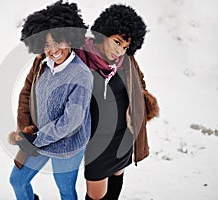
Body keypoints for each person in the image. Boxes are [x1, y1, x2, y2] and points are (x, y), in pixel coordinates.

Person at [8, 1, 93, 200]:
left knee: (65, 191)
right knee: (17, 181)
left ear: (70, 39)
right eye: (47, 44)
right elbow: (27, 94)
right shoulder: (42, 64)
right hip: (38, 138)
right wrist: (26, 130)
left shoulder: (81, 75)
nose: (53, 49)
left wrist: (36, 139)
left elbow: (71, 121)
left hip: (67, 145)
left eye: (58, 41)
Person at [75, 4, 159, 200]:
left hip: (122, 136)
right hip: (96, 141)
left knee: (116, 181)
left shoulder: (127, 62)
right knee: (96, 196)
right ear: (104, 33)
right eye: (117, 42)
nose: (120, 51)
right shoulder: (80, 58)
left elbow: (140, 84)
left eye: (126, 46)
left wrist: (138, 107)